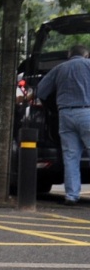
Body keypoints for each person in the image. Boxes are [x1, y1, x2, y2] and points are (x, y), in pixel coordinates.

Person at [36, 44, 90, 206]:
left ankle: (71, 196)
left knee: (70, 157)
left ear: (69, 54)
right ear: (86, 55)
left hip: (65, 115)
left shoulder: (59, 69)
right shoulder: (88, 65)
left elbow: (40, 91)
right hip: (87, 113)